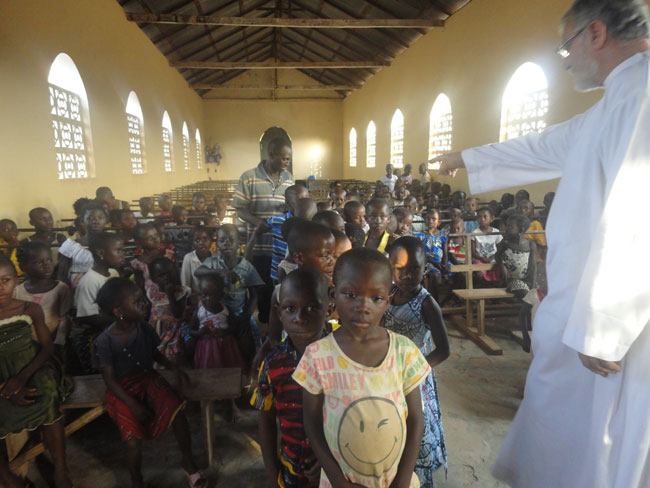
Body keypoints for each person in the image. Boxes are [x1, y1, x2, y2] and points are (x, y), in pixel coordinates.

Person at [432, 1, 650, 485]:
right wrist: (464, 156)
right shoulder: (619, 98)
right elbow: (545, 144)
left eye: (566, 45)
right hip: (581, 309)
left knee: (606, 443)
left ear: (595, 33)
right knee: (569, 430)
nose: (566, 59)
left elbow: (638, 215)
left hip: (617, 326)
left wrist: (605, 327)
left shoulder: (642, 96)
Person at [294, 248, 429, 488]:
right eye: (350, 294)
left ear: (388, 301)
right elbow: (312, 423)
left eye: (376, 298)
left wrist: (402, 480)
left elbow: (416, 419)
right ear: (333, 295)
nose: (362, 306)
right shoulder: (317, 357)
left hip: (396, 481)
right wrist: (338, 481)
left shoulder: (404, 352)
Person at [94, 277, 207, 488]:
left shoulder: (144, 328)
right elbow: (110, 381)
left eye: (142, 299)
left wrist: (175, 369)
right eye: (137, 301)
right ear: (119, 311)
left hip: (147, 379)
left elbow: (155, 354)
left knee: (177, 413)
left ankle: (189, 463)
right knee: (132, 440)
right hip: (122, 389)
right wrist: (133, 404)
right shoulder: (104, 341)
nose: (145, 304)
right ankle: (137, 481)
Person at [252, 268, 331, 488]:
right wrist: (271, 471)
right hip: (291, 468)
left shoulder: (342, 358)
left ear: (328, 308)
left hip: (338, 467)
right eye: (290, 309)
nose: (300, 318)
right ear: (279, 313)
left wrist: (331, 458)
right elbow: (265, 419)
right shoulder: (272, 364)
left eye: (312, 308)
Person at [0, 257, 73, 488]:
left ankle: (61, 470)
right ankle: (8, 477)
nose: (0, 287)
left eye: (5, 280)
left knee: (48, 394)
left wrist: (21, 378)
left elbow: (47, 347)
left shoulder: (29, 308)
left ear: (16, 281)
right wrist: (4, 386)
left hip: (33, 364)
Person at [386, 237, 449, 488]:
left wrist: (415, 370)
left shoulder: (426, 303)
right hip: (388, 371)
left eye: (414, 268)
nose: (407, 275)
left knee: (416, 427)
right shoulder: (389, 294)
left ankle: (417, 479)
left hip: (414, 376)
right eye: (399, 269)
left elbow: (443, 350)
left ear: (425, 268)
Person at [232, 137, 294, 328]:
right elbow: (240, 208)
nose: (287, 163)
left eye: (289, 159)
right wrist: (259, 223)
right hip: (258, 246)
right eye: (284, 159)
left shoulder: (288, 179)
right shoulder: (248, 177)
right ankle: (265, 329)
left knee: (280, 290)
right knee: (262, 290)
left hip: (279, 247)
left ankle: (278, 329)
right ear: (271, 154)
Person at [72, 232, 124, 374]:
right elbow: (86, 316)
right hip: (97, 336)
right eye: (118, 251)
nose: (122, 255)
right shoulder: (89, 281)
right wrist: (120, 319)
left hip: (115, 331)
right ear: (101, 253)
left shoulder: (113, 273)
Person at [14, 241, 71, 347]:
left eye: (49, 260)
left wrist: (59, 342)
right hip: (25, 345)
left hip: (53, 343)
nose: (47, 266)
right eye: (38, 263)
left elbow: (64, 319)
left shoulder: (61, 288)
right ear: (23, 267)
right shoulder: (17, 291)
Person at [147, 258, 191, 363]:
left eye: (169, 273)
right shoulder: (152, 291)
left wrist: (170, 294)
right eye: (161, 275)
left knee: (172, 358)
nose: (166, 277)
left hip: (173, 331)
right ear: (153, 278)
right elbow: (151, 312)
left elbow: (177, 314)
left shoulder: (181, 291)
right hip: (157, 330)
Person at [57, 202, 108, 291]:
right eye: (90, 218)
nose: (96, 221)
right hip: (78, 293)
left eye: (100, 218)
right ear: (82, 221)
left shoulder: (111, 244)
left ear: (106, 220)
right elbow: (62, 275)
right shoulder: (70, 246)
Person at [268, 184, 310, 283]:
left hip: (304, 272)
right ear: (287, 203)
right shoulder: (276, 220)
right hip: (279, 271)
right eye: (300, 199)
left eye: (306, 199)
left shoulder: (312, 223)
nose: (304, 202)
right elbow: (263, 226)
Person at [496, 214, 537, 297]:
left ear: (521, 230)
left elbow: (533, 267)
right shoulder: (505, 244)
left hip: (526, 280)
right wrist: (502, 266)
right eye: (507, 226)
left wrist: (533, 286)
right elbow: (497, 257)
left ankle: (530, 308)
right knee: (525, 292)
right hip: (511, 281)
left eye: (510, 227)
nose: (506, 229)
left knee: (538, 292)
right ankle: (529, 308)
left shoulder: (530, 245)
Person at [416, 209, 449, 302]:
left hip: (441, 262)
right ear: (424, 220)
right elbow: (420, 255)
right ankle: (434, 303)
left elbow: (445, 253)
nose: (430, 221)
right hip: (427, 263)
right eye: (428, 218)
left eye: (434, 219)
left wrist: (444, 264)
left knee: (459, 275)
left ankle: (445, 301)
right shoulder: (420, 236)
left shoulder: (443, 235)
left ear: (439, 221)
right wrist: (433, 263)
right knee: (435, 275)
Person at [180, 226, 214, 294]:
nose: (202, 243)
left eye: (205, 239)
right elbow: (185, 285)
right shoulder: (188, 258)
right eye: (197, 240)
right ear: (192, 244)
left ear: (211, 242)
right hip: (196, 296)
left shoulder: (216, 257)